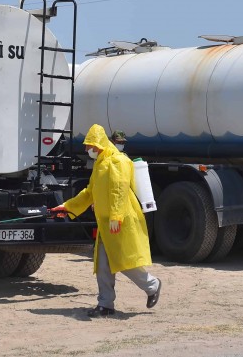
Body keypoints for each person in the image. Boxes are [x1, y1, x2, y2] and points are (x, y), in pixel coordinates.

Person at [50, 124, 161, 318]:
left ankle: (152, 285)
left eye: (89, 145)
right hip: (106, 223)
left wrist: (116, 217)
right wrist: (67, 207)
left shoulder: (117, 161)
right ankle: (105, 305)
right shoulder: (101, 163)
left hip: (120, 222)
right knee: (103, 264)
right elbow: (90, 192)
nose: (87, 150)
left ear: (99, 144)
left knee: (124, 262)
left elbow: (119, 190)